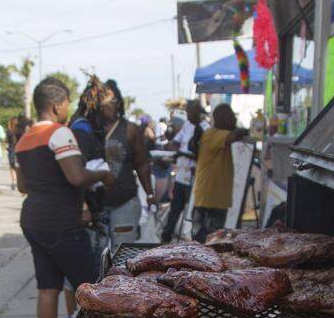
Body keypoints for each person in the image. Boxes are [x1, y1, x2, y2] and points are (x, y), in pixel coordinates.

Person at [15, 77, 115, 318]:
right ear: (57, 105)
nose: (67, 109)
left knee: (48, 288)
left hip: (33, 221)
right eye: (66, 104)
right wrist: (102, 174)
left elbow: (22, 186)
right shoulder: (59, 133)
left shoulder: (24, 138)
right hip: (62, 222)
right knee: (91, 286)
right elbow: (76, 177)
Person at [96, 79, 153, 251]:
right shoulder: (87, 128)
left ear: (119, 102)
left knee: (122, 254)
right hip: (95, 206)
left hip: (124, 202)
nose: (109, 105)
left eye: (113, 100)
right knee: (97, 259)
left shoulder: (130, 129)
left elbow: (141, 163)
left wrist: (150, 194)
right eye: (103, 100)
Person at [191, 103, 247, 243]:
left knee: (212, 242)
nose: (234, 120)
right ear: (223, 119)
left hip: (216, 200)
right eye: (232, 117)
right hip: (209, 200)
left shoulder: (217, 135)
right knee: (207, 243)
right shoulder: (213, 134)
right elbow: (235, 136)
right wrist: (245, 130)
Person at [161, 100, 207, 242]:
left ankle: (195, 243)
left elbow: (200, 155)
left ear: (198, 113)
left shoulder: (205, 128)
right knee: (175, 209)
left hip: (195, 179)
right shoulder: (187, 125)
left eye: (190, 113)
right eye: (187, 113)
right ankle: (166, 237)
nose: (188, 117)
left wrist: (181, 153)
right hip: (181, 176)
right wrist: (170, 145)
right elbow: (177, 141)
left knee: (194, 214)